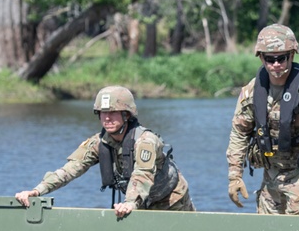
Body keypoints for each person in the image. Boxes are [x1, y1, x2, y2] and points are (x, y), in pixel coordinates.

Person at [15, 86, 193, 219]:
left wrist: (130, 203)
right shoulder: (98, 143)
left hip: (172, 200)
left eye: (113, 113)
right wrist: (37, 191)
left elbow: (142, 174)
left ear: (127, 115)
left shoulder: (146, 141)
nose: (107, 118)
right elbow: (70, 170)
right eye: (102, 113)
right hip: (138, 203)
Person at [225, 24, 299, 215]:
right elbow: (239, 133)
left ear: (292, 55)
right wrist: (235, 176)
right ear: (261, 58)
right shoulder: (252, 92)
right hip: (271, 176)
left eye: (281, 58)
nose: (276, 64)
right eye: (270, 59)